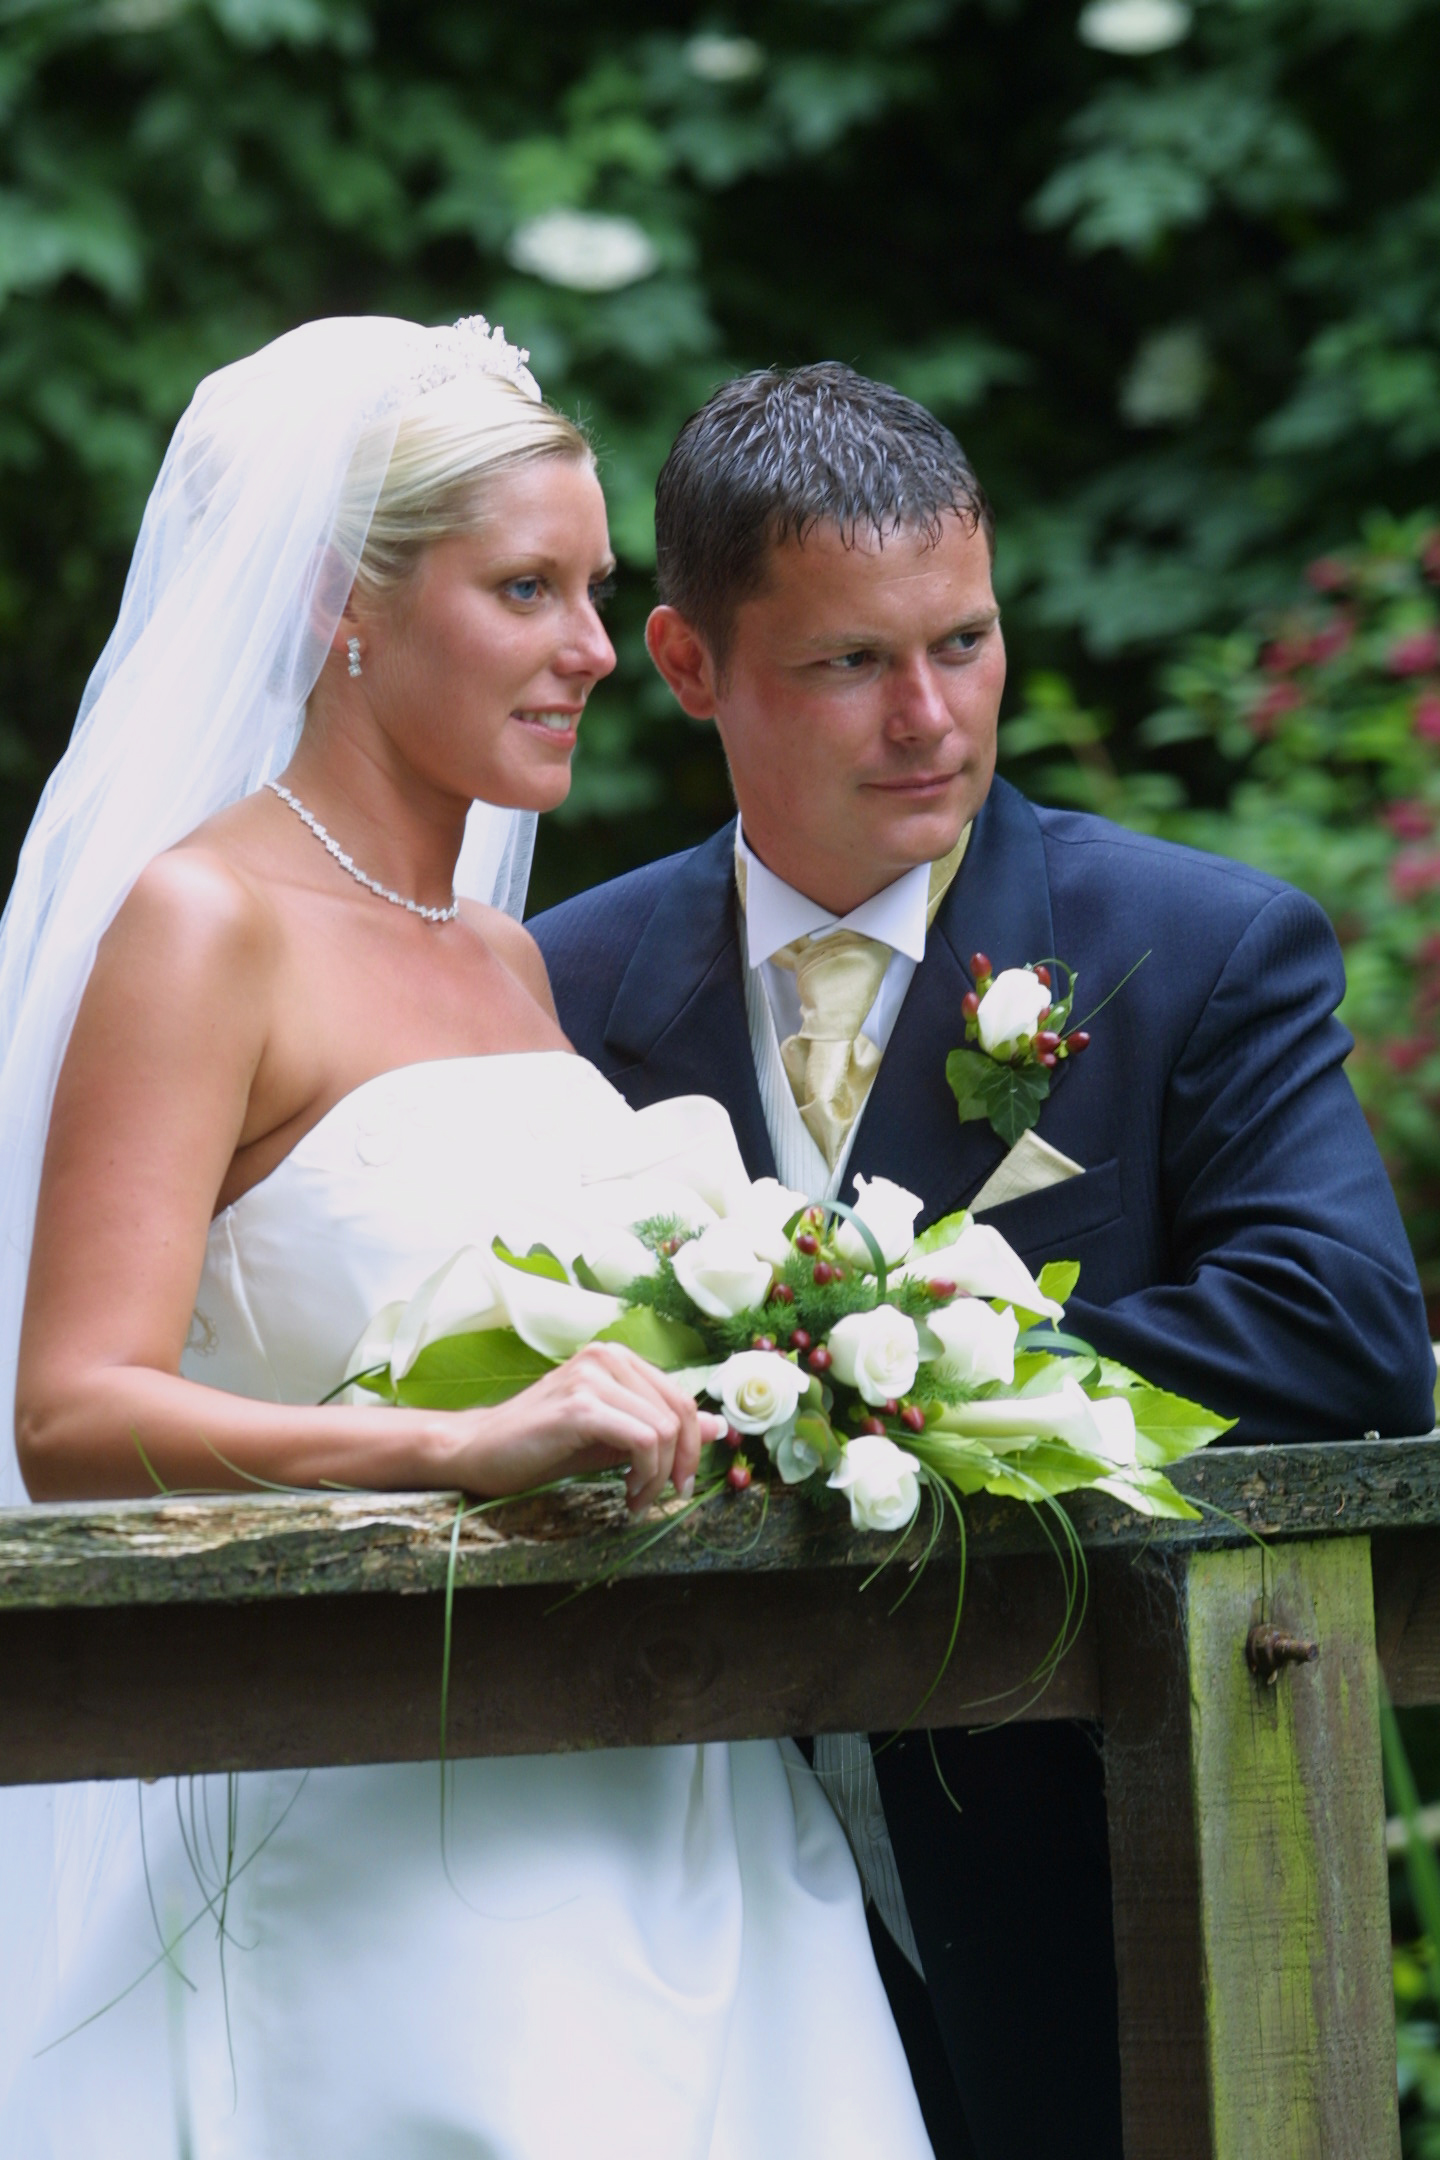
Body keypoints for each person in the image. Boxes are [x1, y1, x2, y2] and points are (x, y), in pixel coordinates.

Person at [0, 320, 935, 2157]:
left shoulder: (511, 960)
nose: (596, 651)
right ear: (346, 602)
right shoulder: (205, 926)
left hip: (674, 1796)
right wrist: (457, 1457)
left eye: (592, 591)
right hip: (387, 1839)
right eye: (528, 590)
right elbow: (68, 1411)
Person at [530, 361, 1438, 2159]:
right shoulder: (555, 988)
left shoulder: (1195, 947)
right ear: (692, 663)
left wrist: (896, 1376)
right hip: (668, 1902)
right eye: (851, 663)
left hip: (1095, 1871)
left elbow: (1342, 1334)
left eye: (964, 641)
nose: (931, 715)